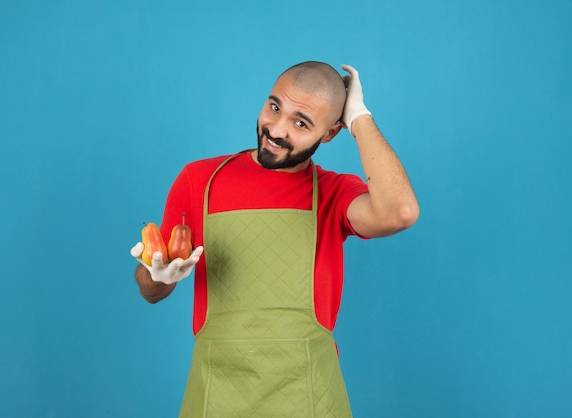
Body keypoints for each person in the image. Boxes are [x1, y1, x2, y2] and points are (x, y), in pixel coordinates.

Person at [130, 61, 419, 417]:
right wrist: (157, 277)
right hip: (217, 395)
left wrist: (358, 115)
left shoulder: (334, 193)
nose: (276, 129)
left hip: (309, 397)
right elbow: (150, 289)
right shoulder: (198, 180)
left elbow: (400, 212)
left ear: (330, 133)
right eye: (274, 106)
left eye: (301, 123)